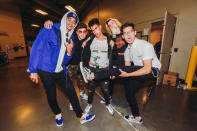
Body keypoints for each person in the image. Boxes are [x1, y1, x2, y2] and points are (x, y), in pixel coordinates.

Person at [28, 11, 95, 127]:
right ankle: (58, 114)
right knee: (51, 95)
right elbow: (36, 48)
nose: (71, 23)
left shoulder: (72, 38)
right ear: (64, 19)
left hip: (60, 70)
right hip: (45, 70)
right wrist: (33, 70)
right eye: (69, 19)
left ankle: (80, 115)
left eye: (74, 22)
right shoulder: (49, 29)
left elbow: (66, 61)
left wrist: (69, 51)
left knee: (72, 92)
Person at [89, 22, 161, 124]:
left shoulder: (145, 45)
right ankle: (137, 118)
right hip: (138, 72)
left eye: (130, 32)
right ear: (122, 36)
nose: (128, 35)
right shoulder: (127, 50)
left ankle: (96, 75)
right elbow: (126, 68)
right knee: (129, 92)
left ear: (135, 32)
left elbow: (147, 69)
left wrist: (126, 74)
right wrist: (116, 74)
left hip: (152, 71)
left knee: (124, 72)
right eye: (125, 33)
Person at [81, 18, 115, 115]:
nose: (95, 32)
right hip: (93, 69)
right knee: (91, 89)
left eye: (96, 28)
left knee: (105, 89)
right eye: (92, 30)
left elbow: (114, 53)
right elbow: (85, 49)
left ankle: (108, 104)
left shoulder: (109, 39)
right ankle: (89, 104)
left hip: (104, 69)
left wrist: (113, 42)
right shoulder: (91, 39)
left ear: (100, 27)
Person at [99, 18, 127, 103]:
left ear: (116, 22)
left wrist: (116, 36)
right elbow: (112, 50)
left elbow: (123, 48)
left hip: (124, 60)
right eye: (109, 25)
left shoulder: (124, 33)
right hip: (114, 60)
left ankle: (129, 98)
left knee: (127, 79)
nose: (111, 25)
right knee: (110, 79)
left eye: (112, 23)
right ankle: (108, 97)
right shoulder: (110, 37)